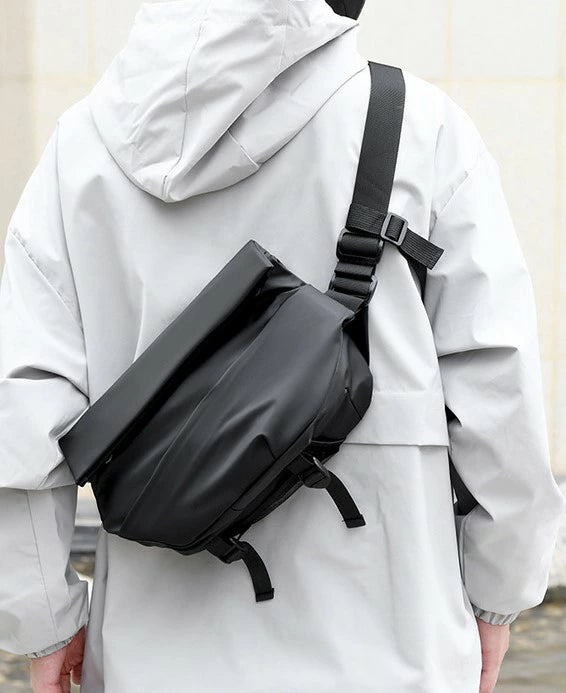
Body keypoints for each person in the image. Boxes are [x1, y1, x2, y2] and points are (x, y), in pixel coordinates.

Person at [0, 1, 563, 692]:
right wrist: (498, 592)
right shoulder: (419, 127)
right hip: (395, 651)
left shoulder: (78, 152)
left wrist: (44, 621)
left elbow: (21, 409)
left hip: (154, 661)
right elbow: (499, 390)